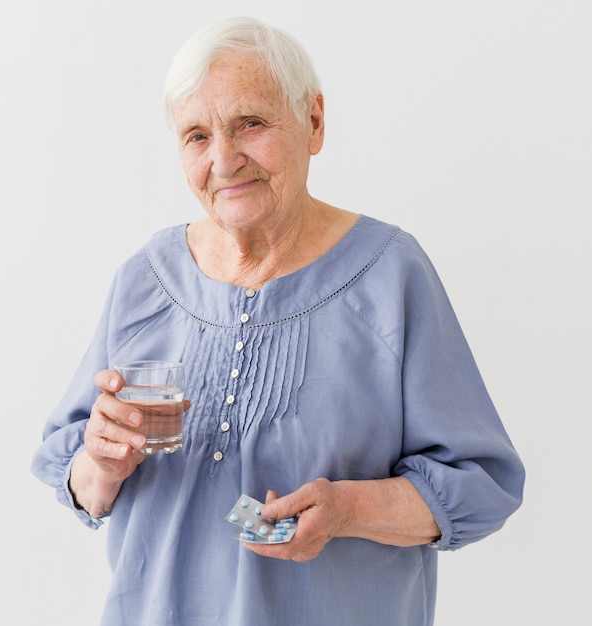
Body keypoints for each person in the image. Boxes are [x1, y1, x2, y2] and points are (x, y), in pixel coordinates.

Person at [32, 16, 525, 626]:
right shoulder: (145, 279)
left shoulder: (390, 275)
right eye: (195, 136)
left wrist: (346, 510)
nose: (223, 159)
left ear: (313, 122)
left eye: (251, 123)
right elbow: (80, 483)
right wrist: (98, 463)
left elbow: (480, 487)